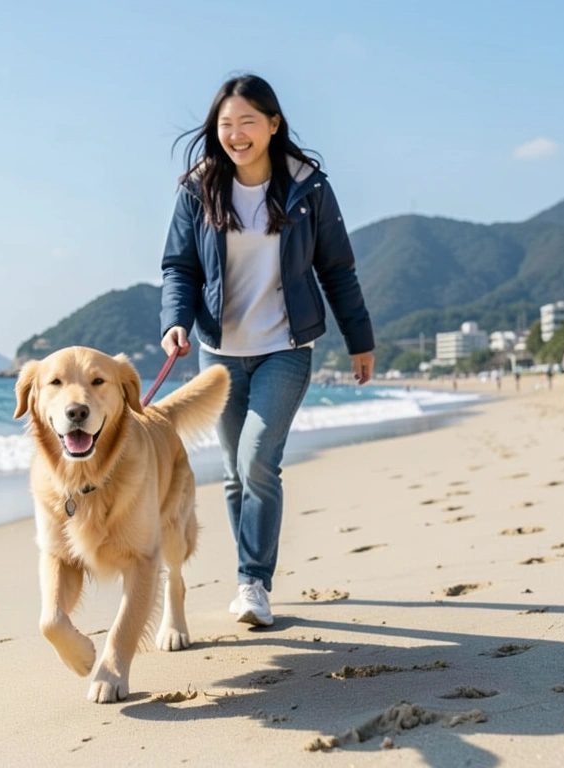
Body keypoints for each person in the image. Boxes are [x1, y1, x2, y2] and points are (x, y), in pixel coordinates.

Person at [159, 74, 374, 627]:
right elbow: (179, 267)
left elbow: (338, 268)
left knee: (257, 461)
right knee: (233, 470)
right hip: (220, 351)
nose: (235, 134)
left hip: (287, 345)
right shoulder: (198, 188)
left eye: (247, 122)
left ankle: (254, 581)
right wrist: (175, 323)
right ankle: (247, 575)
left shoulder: (309, 187)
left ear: (273, 124)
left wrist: (359, 341)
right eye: (225, 125)